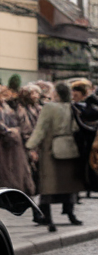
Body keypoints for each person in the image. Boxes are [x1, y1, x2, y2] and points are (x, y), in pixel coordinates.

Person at [26, 81, 85, 230]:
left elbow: (41, 129)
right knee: (69, 185)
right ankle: (71, 215)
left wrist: (30, 146)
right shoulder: (72, 107)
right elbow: (76, 127)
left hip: (50, 150)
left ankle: (48, 219)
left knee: (48, 186)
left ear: (57, 94)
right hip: (70, 148)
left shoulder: (49, 107)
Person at [0, 87, 35, 196]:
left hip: (14, 145)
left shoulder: (13, 107)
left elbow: (23, 124)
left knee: (18, 172)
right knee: (5, 173)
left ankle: (20, 193)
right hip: (1, 146)